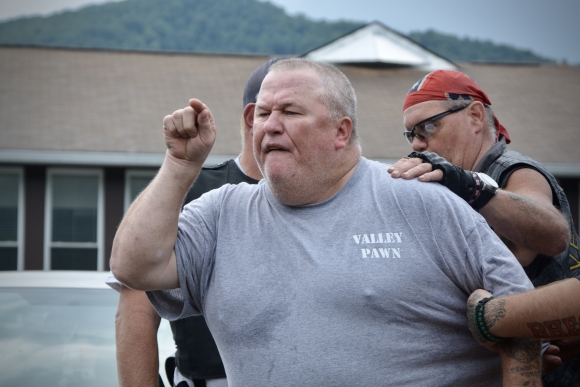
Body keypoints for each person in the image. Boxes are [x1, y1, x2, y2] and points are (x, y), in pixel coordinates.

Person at [111, 58, 541, 386]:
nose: (271, 127)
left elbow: (527, 324)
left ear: (341, 130)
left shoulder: (424, 199)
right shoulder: (220, 214)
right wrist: (179, 164)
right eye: (263, 114)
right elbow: (134, 268)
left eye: (291, 113)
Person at [388, 69, 580, 383]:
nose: (419, 144)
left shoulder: (513, 169)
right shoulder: (446, 185)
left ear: (476, 116)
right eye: (412, 134)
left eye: (428, 127)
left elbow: (552, 234)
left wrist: (470, 186)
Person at [108, 59, 279, 387]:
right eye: (283, 109)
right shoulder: (191, 189)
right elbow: (136, 310)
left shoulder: (325, 197)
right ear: (254, 115)